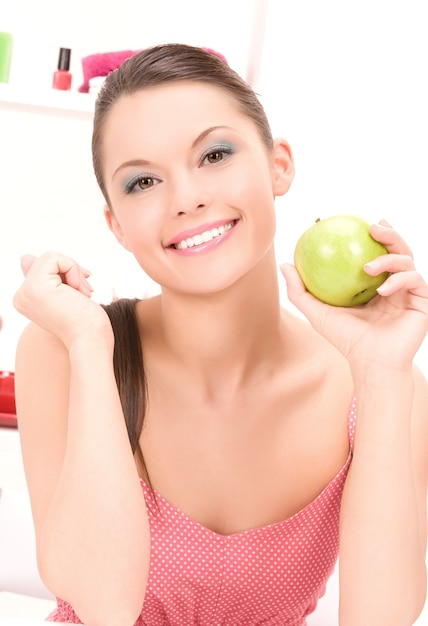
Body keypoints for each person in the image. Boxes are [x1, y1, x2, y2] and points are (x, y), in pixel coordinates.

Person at [13, 43, 428, 626]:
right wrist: (87, 346)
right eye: (142, 183)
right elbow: (104, 605)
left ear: (278, 164)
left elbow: (380, 619)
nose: (187, 199)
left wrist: (384, 376)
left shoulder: (380, 387)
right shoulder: (66, 349)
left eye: (214, 154)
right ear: (118, 226)